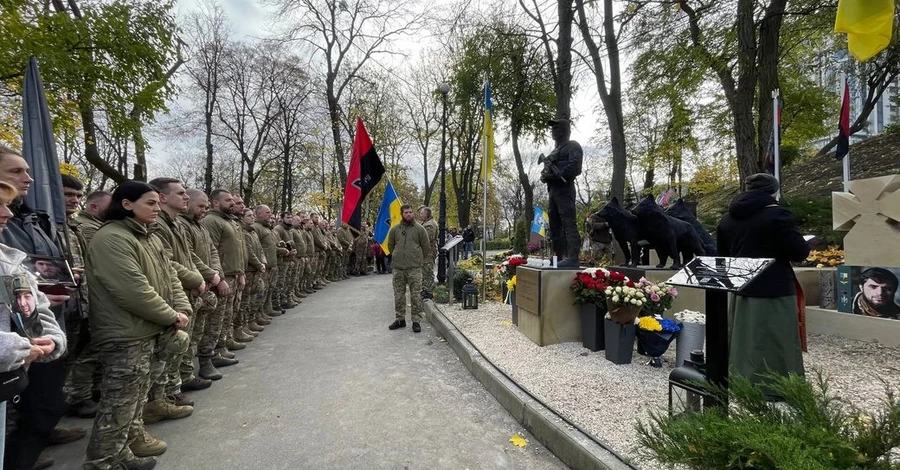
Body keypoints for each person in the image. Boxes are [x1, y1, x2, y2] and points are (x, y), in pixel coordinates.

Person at [84, 180, 192, 470]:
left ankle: (126, 445)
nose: (157, 208)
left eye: (158, 202)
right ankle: (103, 461)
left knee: (135, 395)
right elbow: (132, 289)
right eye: (151, 203)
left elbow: (170, 275)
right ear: (127, 204)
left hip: (147, 327)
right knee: (119, 401)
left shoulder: (150, 237)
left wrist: (182, 307)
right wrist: (170, 315)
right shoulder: (111, 238)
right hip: (124, 332)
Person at [0, 145, 81, 470]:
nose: (29, 178)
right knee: (36, 412)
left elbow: (25, 279)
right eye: (16, 171)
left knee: (42, 409)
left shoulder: (32, 218)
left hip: (29, 338)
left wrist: (46, 338)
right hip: (14, 344)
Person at [716, 173, 810, 400]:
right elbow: (799, 252)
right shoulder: (778, 214)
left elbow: (722, 254)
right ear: (773, 191)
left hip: (741, 287)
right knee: (776, 338)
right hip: (774, 288)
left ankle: (741, 380)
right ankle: (775, 386)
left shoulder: (728, 219)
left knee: (743, 340)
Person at [147, 178, 205, 409]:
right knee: (168, 349)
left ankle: (172, 389)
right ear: (162, 197)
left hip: (184, 289)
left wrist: (207, 275)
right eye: (181, 193)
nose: (186, 197)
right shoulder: (158, 224)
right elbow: (168, 263)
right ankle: (164, 396)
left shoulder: (175, 223)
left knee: (182, 343)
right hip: (170, 292)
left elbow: (190, 257)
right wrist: (198, 278)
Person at [61, 175, 102, 420]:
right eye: (68, 195)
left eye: (78, 195)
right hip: (59, 305)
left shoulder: (73, 226)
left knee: (72, 356)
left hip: (79, 302)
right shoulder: (50, 225)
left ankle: (61, 409)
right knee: (62, 362)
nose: (75, 200)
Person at [179, 189, 225, 382]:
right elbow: (188, 256)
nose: (204, 210)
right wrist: (207, 275)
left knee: (197, 332)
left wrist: (214, 274)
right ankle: (183, 376)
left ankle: (193, 369)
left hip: (207, 282)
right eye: (201, 206)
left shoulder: (200, 226)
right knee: (187, 335)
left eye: (206, 207)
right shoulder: (181, 225)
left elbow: (213, 252)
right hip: (190, 285)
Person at [199, 190, 245, 376]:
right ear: (216, 203)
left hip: (232, 276)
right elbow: (211, 253)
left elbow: (237, 252)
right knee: (214, 321)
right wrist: (219, 278)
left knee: (225, 317)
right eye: (228, 200)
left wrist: (240, 273)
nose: (232, 204)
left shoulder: (228, 221)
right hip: (221, 279)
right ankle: (206, 359)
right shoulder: (211, 221)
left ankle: (219, 349)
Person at [540, 118, 583, 268]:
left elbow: (575, 167)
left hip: (565, 190)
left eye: (557, 128)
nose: (553, 131)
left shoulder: (573, 146)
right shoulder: (554, 151)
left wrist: (558, 173)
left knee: (568, 222)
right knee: (554, 224)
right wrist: (546, 175)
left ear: (565, 130)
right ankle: (558, 256)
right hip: (553, 190)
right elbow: (545, 172)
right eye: (552, 129)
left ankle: (573, 257)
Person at [387, 205, 430, 333]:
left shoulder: (419, 229)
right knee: (399, 295)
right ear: (402, 214)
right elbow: (391, 246)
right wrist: (397, 255)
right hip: (398, 268)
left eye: (411, 212)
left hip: (414, 268)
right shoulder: (395, 229)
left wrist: (417, 259)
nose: (409, 214)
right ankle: (400, 319)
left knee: (416, 295)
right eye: (406, 212)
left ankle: (416, 321)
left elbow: (426, 247)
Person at [239, 208, 266, 339]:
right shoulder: (243, 232)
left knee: (253, 297)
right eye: (249, 216)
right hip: (249, 269)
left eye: (253, 216)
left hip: (256, 269)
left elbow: (260, 249)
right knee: (245, 301)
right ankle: (242, 327)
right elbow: (249, 251)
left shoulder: (253, 232)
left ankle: (250, 322)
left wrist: (263, 262)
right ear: (242, 218)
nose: (252, 218)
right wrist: (258, 264)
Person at [418, 206, 438, 299]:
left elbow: (427, 239)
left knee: (427, 271)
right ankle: (425, 289)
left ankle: (428, 291)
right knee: (425, 271)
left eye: (421, 213)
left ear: (426, 214)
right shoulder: (425, 223)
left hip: (428, 253)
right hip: (425, 252)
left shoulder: (429, 225)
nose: (420, 215)